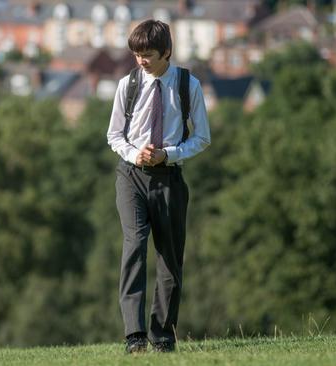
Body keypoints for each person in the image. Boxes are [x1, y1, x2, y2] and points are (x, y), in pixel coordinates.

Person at [106, 19, 210, 353]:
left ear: (166, 51)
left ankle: (162, 336)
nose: (141, 60)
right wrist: (137, 155)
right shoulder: (128, 84)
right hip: (131, 176)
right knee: (134, 245)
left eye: (148, 54)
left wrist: (169, 154)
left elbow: (202, 138)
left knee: (170, 258)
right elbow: (114, 136)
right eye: (136, 54)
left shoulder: (187, 85)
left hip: (170, 179)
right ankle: (134, 336)